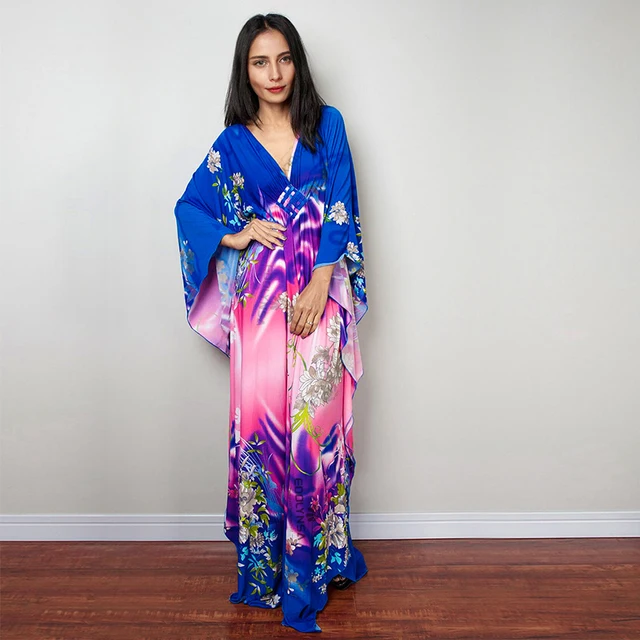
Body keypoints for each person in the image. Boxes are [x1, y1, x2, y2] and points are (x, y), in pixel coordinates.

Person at [173, 13, 368, 634]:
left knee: (314, 431)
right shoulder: (233, 143)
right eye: (260, 62)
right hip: (257, 305)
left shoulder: (327, 124)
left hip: (318, 293)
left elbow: (342, 205)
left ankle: (316, 565)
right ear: (246, 71)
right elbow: (188, 207)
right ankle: (265, 570)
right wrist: (235, 233)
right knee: (261, 429)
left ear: (297, 62)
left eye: (283, 59)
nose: (274, 73)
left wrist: (319, 281)